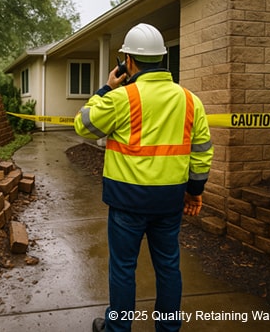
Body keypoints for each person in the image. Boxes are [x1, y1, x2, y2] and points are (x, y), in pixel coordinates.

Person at [73, 23, 213, 332]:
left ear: (128, 61)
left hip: (127, 203)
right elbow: (202, 151)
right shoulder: (191, 101)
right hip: (170, 202)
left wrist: (106, 88)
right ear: (162, 58)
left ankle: (118, 329)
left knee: (123, 268)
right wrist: (195, 190)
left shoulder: (121, 98)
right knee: (168, 267)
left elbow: (83, 125)